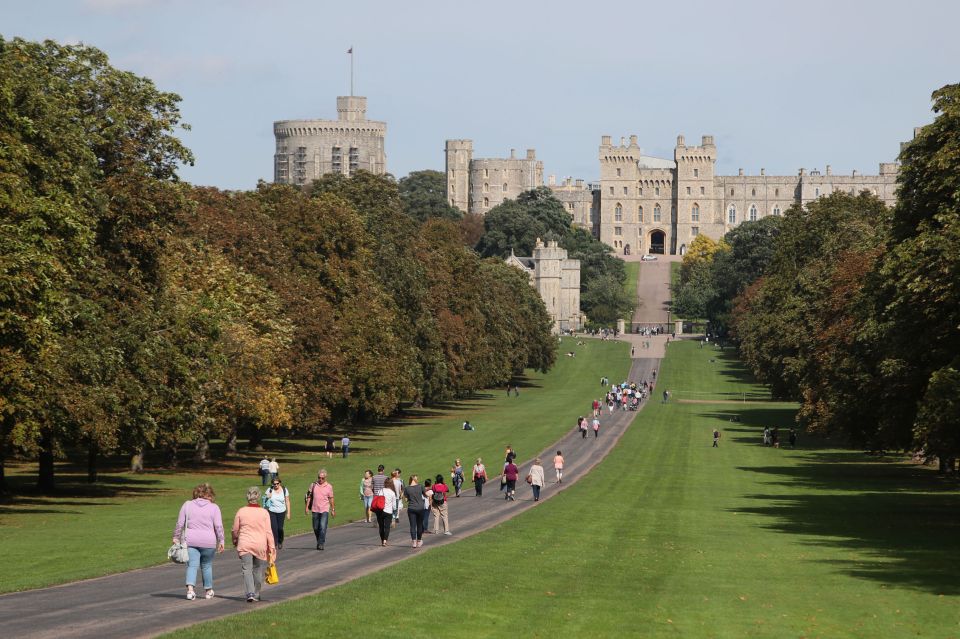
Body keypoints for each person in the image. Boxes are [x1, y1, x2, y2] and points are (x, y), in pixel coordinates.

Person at [173, 482, 225, 601]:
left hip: (190, 540)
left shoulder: (187, 505)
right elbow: (218, 526)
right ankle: (208, 590)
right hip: (209, 541)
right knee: (206, 566)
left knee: (192, 565)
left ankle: (190, 591)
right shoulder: (214, 507)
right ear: (210, 494)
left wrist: (176, 537)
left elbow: (180, 523)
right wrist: (221, 541)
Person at [232, 486, 275, 603]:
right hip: (260, 544)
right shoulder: (264, 512)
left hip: (245, 543)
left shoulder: (241, 511)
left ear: (248, 497)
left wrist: (235, 540)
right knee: (257, 569)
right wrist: (271, 546)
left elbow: (235, 529)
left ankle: (250, 592)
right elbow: (268, 531)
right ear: (258, 497)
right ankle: (256, 592)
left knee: (247, 569)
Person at [305, 469, 335, 550]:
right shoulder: (313, 485)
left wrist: (333, 509)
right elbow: (309, 496)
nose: (320, 480)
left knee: (322, 526)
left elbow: (331, 498)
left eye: (322, 478)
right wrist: (307, 507)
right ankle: (319, 540)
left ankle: (321, 543)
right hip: (315, 509)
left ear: (325, 478)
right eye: (319, 478)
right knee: (315, 528)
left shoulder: (329, 486)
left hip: (325, 509)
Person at [263, 478, 291, 550]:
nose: (276, 485)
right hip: (272, 512)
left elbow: (287, 501)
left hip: (282, 511)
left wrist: (288, 513)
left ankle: (280, 541)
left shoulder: (284, 490)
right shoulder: (269, 490)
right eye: (274, 484)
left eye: (277, 483)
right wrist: (267, 497)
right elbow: (264, 502)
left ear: (280, 483)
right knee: (274, 528)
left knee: (280, 528)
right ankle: (275, 543)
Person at [403, 474, 426, 548]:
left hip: (411, 508)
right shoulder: (420, 486)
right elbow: (425, 495)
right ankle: (419, 541)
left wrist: (410, 498)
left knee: (412, 525)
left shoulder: (407, 488)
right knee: (419, 525)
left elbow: (406, 500)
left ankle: (413, 542)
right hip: (420, 508)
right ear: (415, 479)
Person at [377, 479, 398, 546]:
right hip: (388, 511)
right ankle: (385, 541)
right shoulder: (392, 493)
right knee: (387, 527)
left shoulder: (380, 491)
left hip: (379, 510)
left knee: (381, 526)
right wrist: (394, 510)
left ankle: (382, 540)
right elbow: (394, 506)